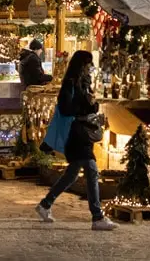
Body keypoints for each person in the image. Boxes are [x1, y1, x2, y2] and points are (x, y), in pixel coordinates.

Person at [35, 50, 117, 231]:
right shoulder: (70, 84)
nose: (90, 68)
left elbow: (89, 106)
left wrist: (91, 105)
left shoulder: (85, 84)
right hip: (75, 134)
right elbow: (65, 109)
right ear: (81, 65)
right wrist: (84, 110)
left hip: (82, 133)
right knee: (91, 170)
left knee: (71, 175)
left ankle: (45, 204)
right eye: (88, 65)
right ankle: (97, 217)